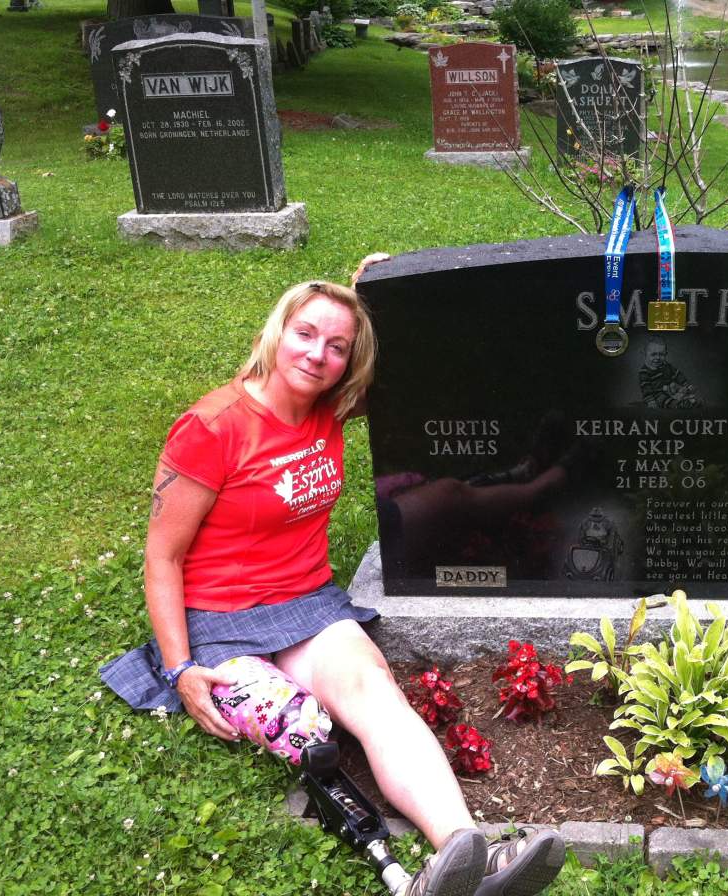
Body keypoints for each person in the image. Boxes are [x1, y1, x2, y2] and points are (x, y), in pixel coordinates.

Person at [100, 269, 565, 896]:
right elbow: (163, 557)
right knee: (307, 725)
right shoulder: (212, 427)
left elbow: (418, 361)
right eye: (305, 333)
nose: (317, 354)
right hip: (217, 625)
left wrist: (384, 291)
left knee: (375, 695)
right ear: (276, 332)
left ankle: (468, 855)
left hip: (307, 604)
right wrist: (181, 668)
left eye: (337, 345)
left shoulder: (333, 407)